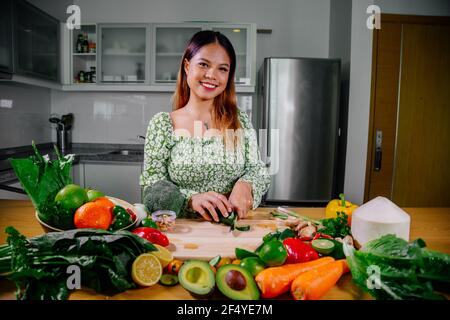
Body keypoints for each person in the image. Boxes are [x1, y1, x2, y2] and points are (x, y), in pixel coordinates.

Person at [139, 30, 270, 222]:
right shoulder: (162, 124)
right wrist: (190, 200)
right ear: (186, 66)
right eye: (203, 64)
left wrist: (246, 184)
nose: (211, 75)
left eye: (222, 69)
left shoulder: (239, 120)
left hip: (233, 229)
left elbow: (257, 170)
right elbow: (151, 187)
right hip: (181, 230)